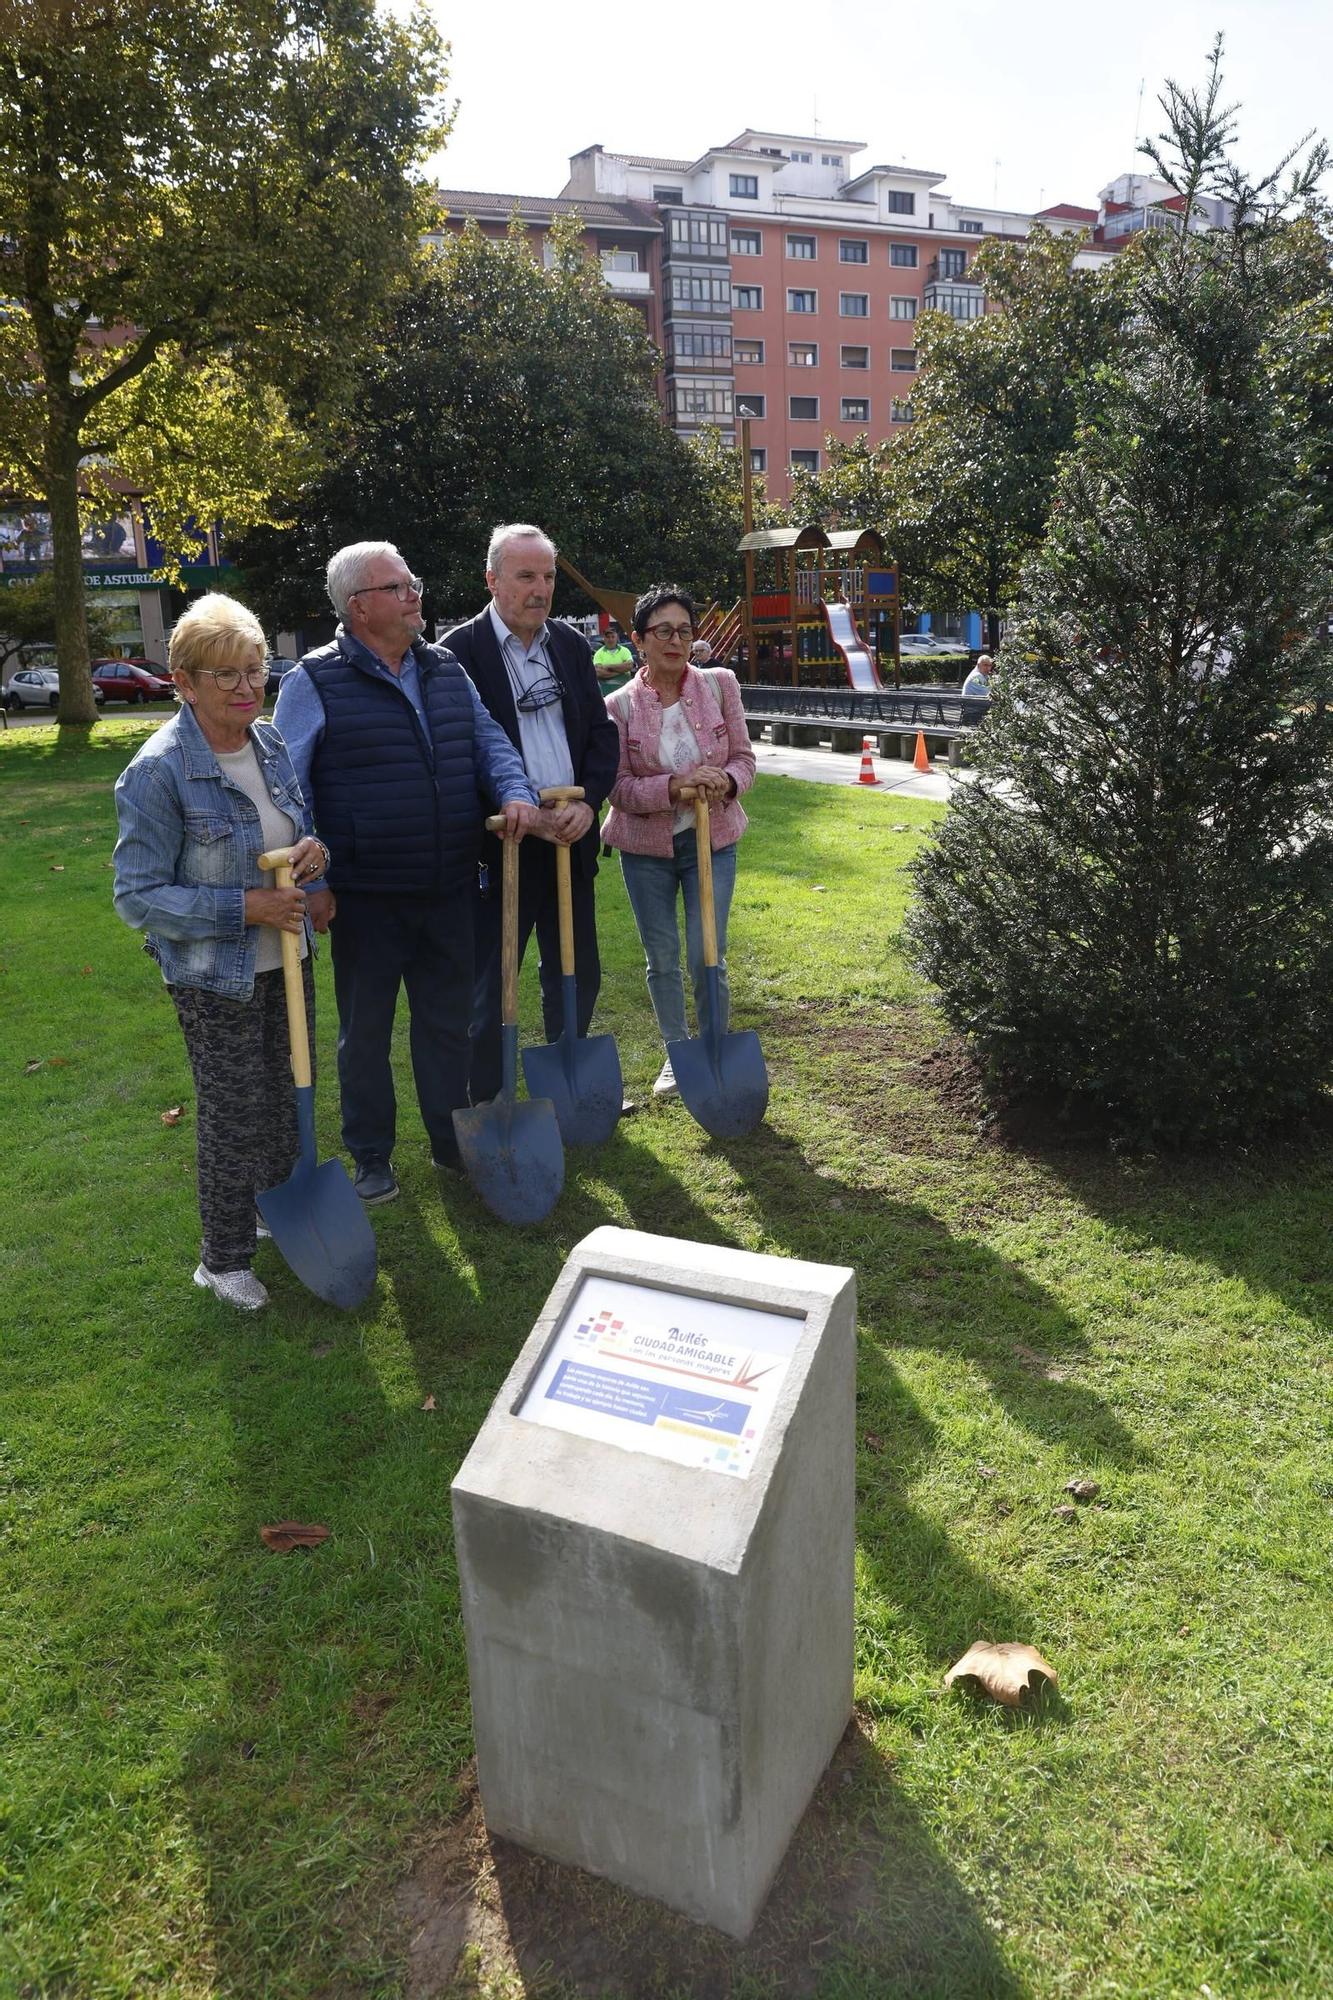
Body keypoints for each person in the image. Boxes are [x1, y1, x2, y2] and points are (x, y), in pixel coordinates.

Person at [274, 541, 539, 1205]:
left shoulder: (444, 667)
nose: (414, 594)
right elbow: (289, 789)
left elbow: (489, 742)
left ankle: (452, 1143)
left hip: (449, 884)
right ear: (359, 607)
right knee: (365, 1033)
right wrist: (313, 885)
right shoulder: (314, 680)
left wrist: (515, 792)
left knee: (447, 1025)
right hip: (365, 895)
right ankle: (371, 1155)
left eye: (412, 581)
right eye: (397, 587)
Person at [112, 593, 330, 1311]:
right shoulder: (158, 771)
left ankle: (272, 1209)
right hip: (213, 977)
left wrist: (312, 855)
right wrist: (245, 907)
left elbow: (294, 829)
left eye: (255, 669)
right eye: (226, 675)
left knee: (285, 1099)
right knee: (233, 1115)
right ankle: (223, 1259)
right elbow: (138, 898)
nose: (246, 687)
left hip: (286, 959)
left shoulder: (268, 744)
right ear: (184, 682)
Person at [442, 525, 619, 1106]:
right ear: (492, 580)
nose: (540, 589)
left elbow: (600, 735)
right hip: (502, 847)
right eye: (526, 577)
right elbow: (455, 758)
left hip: (571, 838)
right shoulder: (457, 656)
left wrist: (588, 803)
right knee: (494, 985)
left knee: (577, 971)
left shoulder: (568, 644)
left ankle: (566, 1088)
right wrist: (515, 812)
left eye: (547, 577)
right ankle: (490, 1100)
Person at [601, 584, 755, 1097]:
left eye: (685, 631)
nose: (675, 642)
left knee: (707, 951)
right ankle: (676, 1051)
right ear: (639, 640)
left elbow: (744, 760)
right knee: (662, 957)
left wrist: (725, 780)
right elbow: (617, 787)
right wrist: (673, 787)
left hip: (713, 841)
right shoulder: (618, 707)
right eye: (663, 631)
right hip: (646, 851)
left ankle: (713, 1049)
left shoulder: (720, 685)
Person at [592, 621, 636, 694]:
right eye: (608, 637)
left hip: (625, 692)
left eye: (613, 637)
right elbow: (599, 672)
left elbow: (629, 665)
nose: (610, 639)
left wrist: (608, 667)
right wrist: (622, 671)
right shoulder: (598, 654)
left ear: (617, 637)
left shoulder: (624, 651)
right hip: (606, 692)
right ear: (604, 638)